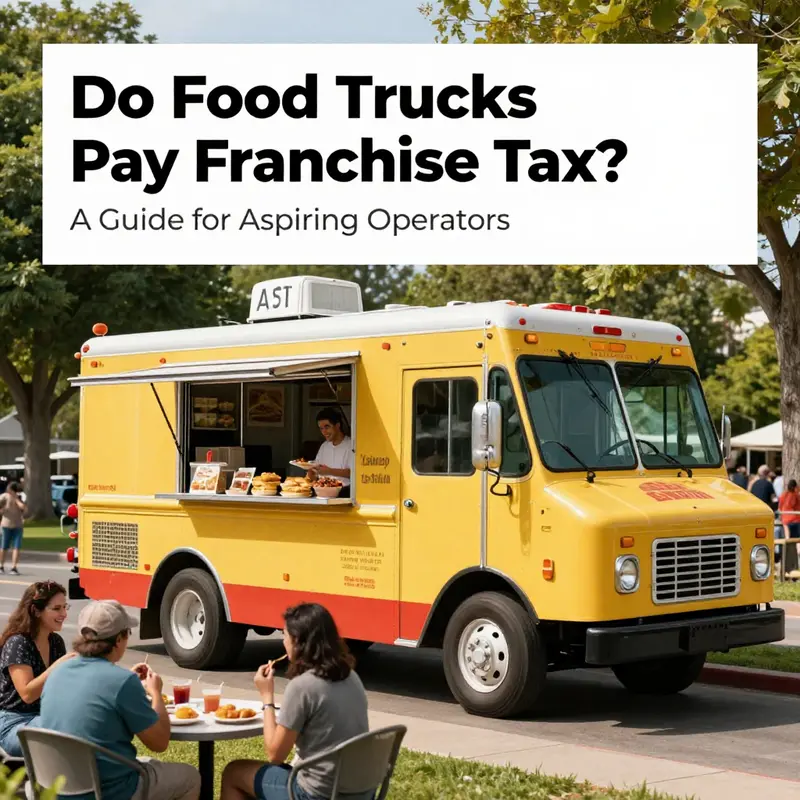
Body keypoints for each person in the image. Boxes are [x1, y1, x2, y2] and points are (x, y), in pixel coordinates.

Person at [40, 600, 201, 800]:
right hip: (109, 791)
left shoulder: (57, 673)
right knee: (190, 778)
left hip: (57, 788)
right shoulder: (123, 682)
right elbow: (159, 743)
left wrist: (127, 681)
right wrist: (156, 693)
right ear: (118, 639)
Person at [221, 603, 372, 800]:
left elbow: (274, 755)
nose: (283, 642)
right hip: (360, 792)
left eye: (284, 635)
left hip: (317, 794)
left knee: (234, 772)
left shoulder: (302, 687)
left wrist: (267, 696)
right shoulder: (352, 677)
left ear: (298, 641)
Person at [0, 580, 73, 756]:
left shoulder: (56, 642)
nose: (64, 614)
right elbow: (27, 694)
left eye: (65, 607)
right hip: (13, 722)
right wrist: (58, 666)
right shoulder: (18, 643)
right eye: (56, 609)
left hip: (44, 718)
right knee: (63, 734)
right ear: (36, 611)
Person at [307, 408, 354, 498]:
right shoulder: (324, 446)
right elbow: (316, 471)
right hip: (321, 491)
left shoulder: (351, 445)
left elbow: (353, 473)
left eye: (327, 427)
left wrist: (329, 471)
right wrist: (311, 473)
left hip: (344, 493)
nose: (324, 432)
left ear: (337, 425)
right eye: (321, 428)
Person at [0, 482, 27, 574]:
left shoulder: (20, 497)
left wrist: (16, 499)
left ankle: (14, 567)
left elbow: (23, 507)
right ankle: (1, 566)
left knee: (17, 547)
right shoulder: (4, 497)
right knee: (3, 547)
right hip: (6, 525)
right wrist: (2, 510)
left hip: (18, 526)